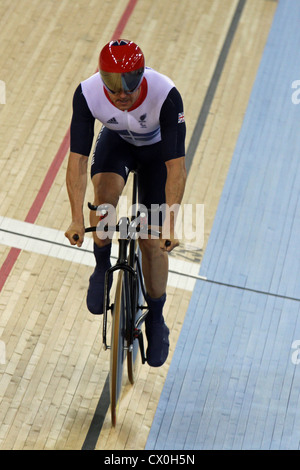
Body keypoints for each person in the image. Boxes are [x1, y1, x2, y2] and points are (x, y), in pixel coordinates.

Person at [65, 39, 186, 367]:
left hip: (157, 155)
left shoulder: (166, 95)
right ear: (101, 77)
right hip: (117, 143)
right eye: (113, 84)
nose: (122, 93)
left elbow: (175, 168)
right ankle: (102, 265)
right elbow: (77, 160)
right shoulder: (87, 93)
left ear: (142, 75)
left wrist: (170, 224)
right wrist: (77, 218)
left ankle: (157, 319)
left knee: (152, 242)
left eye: (130, 82)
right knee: (103, 200)